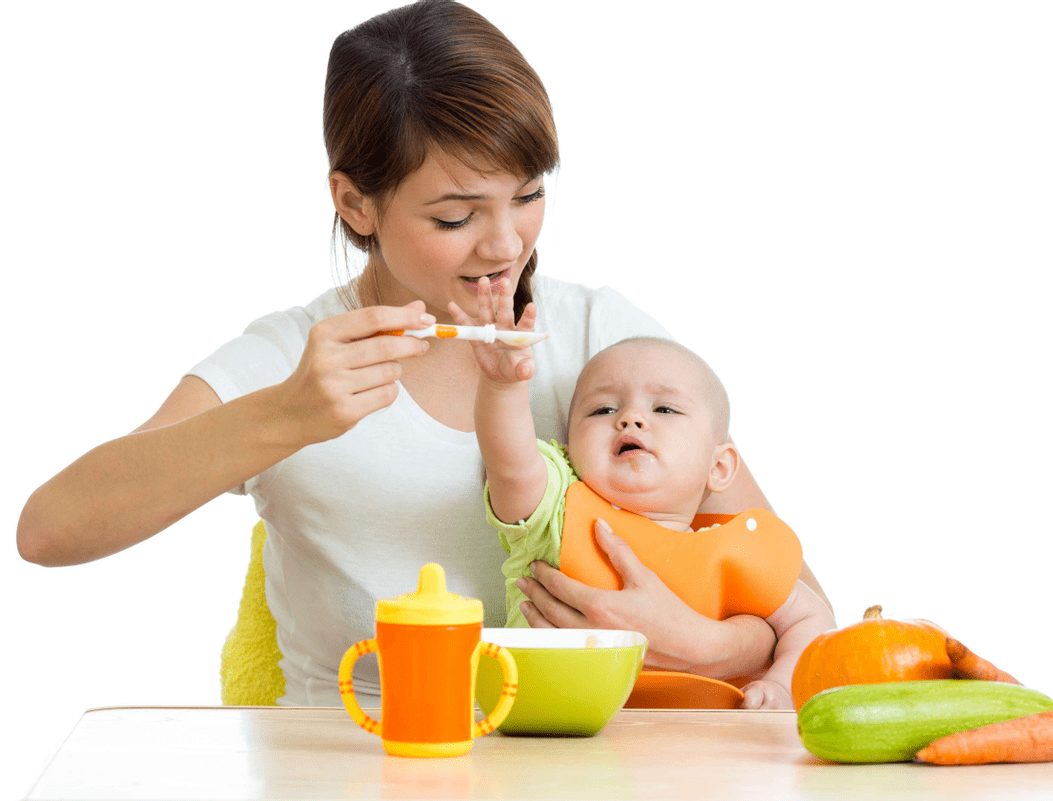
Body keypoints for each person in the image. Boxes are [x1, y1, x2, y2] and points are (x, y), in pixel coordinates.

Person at [15, 0, 831, 707]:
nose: (506, 243)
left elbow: (796, 595)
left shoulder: (606, 346)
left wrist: (708, 645)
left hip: (574, 765)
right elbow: (50, 528)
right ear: (355, 203)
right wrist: (283, 416)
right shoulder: (291, 361)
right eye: (455, 216)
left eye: (530, 194)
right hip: (348, 760)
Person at [452, 278, 836, 709]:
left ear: (719, 466)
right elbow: (509, 461)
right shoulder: (554, 508)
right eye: (604, 409)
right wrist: (504, 387)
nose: (631, 418)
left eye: (665, 409)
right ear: (567, 448)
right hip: (550, 737)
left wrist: (782, 686)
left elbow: (813, 618)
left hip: (693, 759)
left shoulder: (736, 553)